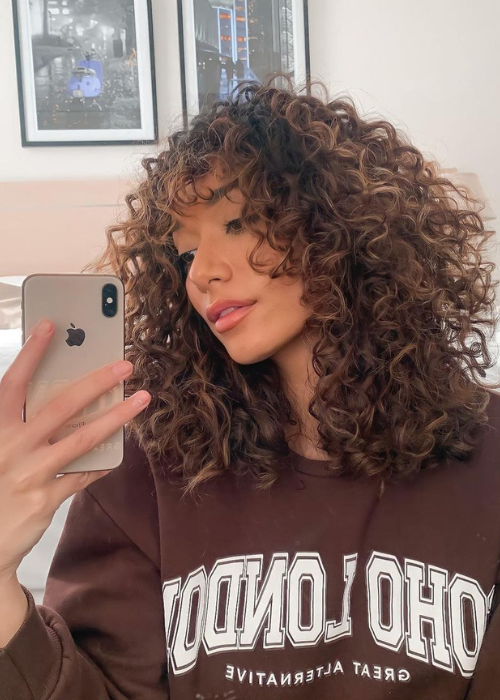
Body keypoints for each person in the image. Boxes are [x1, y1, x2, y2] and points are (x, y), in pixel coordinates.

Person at [1, 75, 500, 699]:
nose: (203, 274)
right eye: (186, 255)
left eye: (237, 223)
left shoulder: (488, 459)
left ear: (338, 220)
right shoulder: (143, 471)